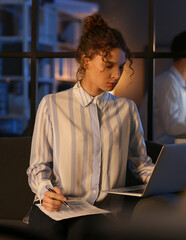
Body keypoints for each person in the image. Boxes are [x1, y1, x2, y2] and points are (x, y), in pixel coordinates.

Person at [26, 14, 154, 239]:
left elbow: (141, 164)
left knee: (84, 229)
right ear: (86, 61)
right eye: (109, 65)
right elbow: (38, 166)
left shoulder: (127, 110)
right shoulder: (52, 105)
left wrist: (170, 178)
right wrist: (45, 192)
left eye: (121, 67)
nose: (116, 74)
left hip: (102, 212)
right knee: (45, 226)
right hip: (57, 207)